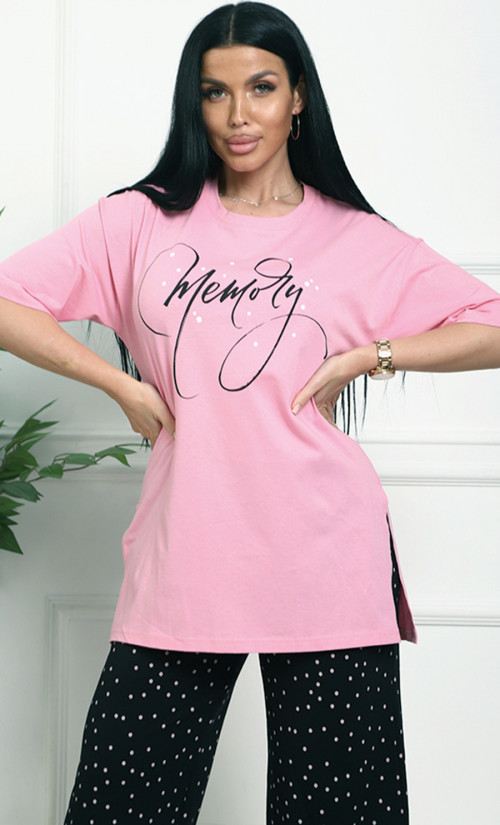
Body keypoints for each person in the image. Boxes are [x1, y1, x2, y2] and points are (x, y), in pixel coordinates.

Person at [1, 3, 499, 823]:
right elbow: (8, 298)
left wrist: (371, 356)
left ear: (298, 96)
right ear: (193, 102)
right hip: (186, 559)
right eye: (215, 92)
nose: (238, 115)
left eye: (261, 88)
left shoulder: (357, 238)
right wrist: (119, 383)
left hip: (328, 560)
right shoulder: (140, 221)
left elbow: (492, 322)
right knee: (122, 806)